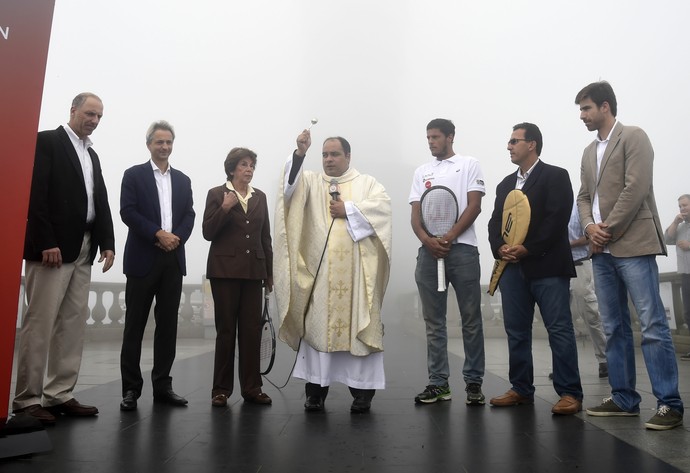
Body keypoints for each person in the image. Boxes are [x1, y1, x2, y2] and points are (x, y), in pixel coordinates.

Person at [576, 80, 683, 430]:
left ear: (605, 107)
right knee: (613, 326)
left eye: (587, 108)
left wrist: (606, 228)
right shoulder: (588, 151)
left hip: (633, 244)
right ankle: (624, 398)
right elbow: (583, 196)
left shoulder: (634, 137)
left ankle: (670, 403)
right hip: (601, 251)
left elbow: (635, 187)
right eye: (581, 110)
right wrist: (590, 227)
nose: (582, 115)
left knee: (652, 324)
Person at [13, 92, 115, 424]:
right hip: (53, 249)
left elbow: (99, 199)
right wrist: (46, 241)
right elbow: (34, 193)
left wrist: (108, 242)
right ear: (72, 110)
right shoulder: (47, 142)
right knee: (40, 324)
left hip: (84, 248)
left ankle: (59, 394)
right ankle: (28, 399)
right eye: (89, 113)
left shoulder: (92, 155)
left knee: (72, 325)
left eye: (99, 116)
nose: (94, 120)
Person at [274, 130, 392, 413]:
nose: (328, 160)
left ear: (348, 156)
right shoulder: (312, 182)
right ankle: (315, 391)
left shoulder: (367, 184)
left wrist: (348, 209)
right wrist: (299, 154)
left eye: (335, 154)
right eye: (325, 154)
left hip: (357, 276)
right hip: (321, 276)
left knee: (358, 327)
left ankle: (362, 393)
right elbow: (287, 191)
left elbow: (383, 210)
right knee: (318, 330)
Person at [487, 122, 583, 415]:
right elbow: (494, 223)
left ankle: (569, 393)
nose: (509, 146)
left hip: (548, 266)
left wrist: (528, 247)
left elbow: (557, 220)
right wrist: (499, 247)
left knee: (559, 329)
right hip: (512, 269)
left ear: (532, 144)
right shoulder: (504, 184)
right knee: (516, 330)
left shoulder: (555, 175)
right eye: (509, 141)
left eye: (515, 141)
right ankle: (521, 389)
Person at [409, 118, 486, 406]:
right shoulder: (422, 172)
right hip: (429, 253)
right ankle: (438, 383)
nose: (431, 141)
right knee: (433, 321)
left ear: (450, 137)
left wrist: (450, 237)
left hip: (463, 251)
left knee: (470, 319)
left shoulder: (469, 164)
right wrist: (427, 240)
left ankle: (474, 383)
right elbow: (415, 214)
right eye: (428, 137)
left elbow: (475, 205)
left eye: (436, 137)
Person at [119, 120, 195, 411]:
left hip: (172, 260)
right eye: (159, 142)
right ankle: (130, 390)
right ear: (149, 144)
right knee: (134, 327)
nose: (164, 147)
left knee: (168, 327)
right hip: (142, 259)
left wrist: (176, 238)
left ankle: (163, 386)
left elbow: (189, 214)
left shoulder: (183, 180)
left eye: (168, 142)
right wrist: (157, 233)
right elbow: (128, 211)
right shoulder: (133, 175)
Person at [202, 147, 273, 408]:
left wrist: (269, 273)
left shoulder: (260, 197)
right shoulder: (216, 194)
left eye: (252, 165)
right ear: (232, 169)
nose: (249, 169)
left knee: (251, 332)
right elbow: (208, 232)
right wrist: (224, 207)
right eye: (244, 164)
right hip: (225, 273)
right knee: (226, 331)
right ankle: (220, 390)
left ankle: (252, 388)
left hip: (254, 272)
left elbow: (265, 237)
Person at [568, 203, 608, 378]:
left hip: (579, 264)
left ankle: (604, 360)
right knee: (559, 320)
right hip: (556, 268)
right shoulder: (548, 208)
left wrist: (567, 245)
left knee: (590, 313)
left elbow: (590, 236)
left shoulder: (578, 209)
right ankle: (564, 364)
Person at [665, 194, 690, 360]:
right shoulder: (680, 226)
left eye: (685, 205)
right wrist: (675, 222)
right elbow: (667, 238)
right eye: (680, 206)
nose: (682, 209)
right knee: (688, 312)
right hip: (685, 273)